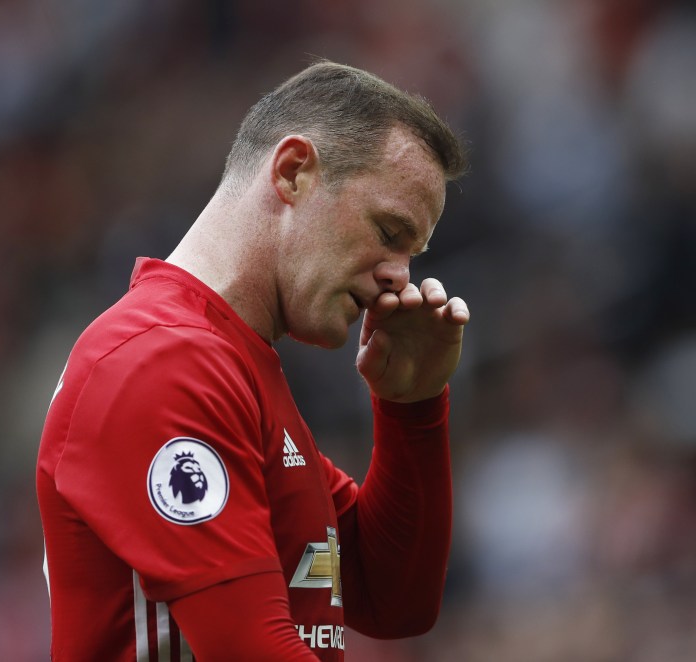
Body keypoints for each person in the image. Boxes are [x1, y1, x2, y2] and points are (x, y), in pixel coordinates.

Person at [36, 60, 470, 661]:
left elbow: (392, 599)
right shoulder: (160, 359)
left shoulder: (231, 361)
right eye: (388, 231)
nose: (400, 276)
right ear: (293, 173)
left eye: (412, 253)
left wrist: (414, 409)